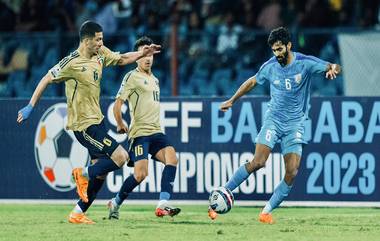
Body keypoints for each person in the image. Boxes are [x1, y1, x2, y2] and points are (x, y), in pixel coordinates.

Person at [16, 21, 161, 224]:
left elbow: (121, 59)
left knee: (99, 175)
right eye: (98, 39)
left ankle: (77, 213)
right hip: (83, 126)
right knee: (120, 157)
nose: (101, 43)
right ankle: (81, 174)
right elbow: (46, 79)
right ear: (86, 41)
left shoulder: (100, 53)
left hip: (97, 121)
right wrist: (31, 106)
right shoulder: (71, 63)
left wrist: (142, 53)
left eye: (102, 39)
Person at [209, 27, 341, 224]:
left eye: (280, 49)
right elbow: (252, 81)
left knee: (292, 171)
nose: (277, 54)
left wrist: (332, 70)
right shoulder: (270, 66)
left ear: (289, 45)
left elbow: (334, 66)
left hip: (296, 124)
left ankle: (266, 211)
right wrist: (232, 100)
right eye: (274, 50)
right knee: (258, 162)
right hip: (274, 121)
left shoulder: (305, 63)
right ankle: (224, 191)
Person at [107, 36, 180, 219]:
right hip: (140, 134)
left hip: (156, 132)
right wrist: (120, 123)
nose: (147, 58)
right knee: (140, 174)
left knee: (172, 158)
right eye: (143, 54)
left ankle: (162, 204)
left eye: (150, 54)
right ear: (137, 57)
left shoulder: (155, 80)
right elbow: (118, 104)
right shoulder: (131, 77)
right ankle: (115, 203)